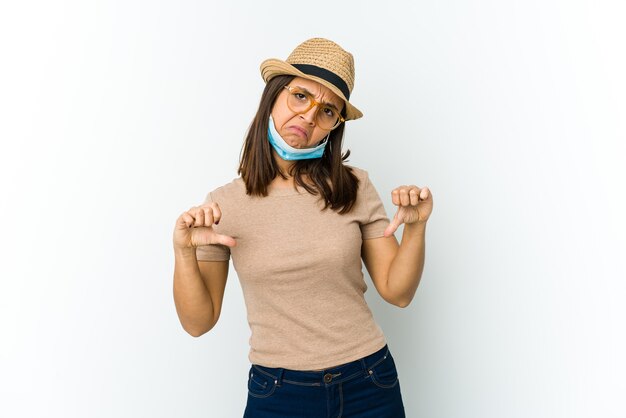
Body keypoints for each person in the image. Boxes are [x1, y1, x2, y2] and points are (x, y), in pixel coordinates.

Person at [172, 38, 433, 418]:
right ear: (273, 97)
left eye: (327, 111)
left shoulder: (354, 187)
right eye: (300, 97)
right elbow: (198, 323)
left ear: (334, 126)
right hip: (278, 393)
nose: (309, 117)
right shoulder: (223, 204)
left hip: (368, 383)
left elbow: (398, 292)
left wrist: (417, 228)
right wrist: (183, 252)